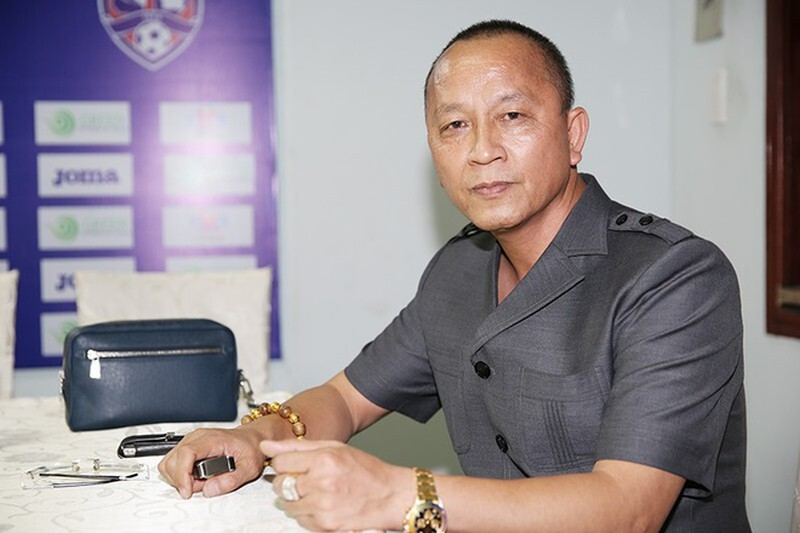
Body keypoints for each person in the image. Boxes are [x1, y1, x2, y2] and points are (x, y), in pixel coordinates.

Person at [159, 19, 750, 532]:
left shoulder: (675, 277)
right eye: (455, 126)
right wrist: (254, 438)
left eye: (512, 116)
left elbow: (629, 510)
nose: (483, 150)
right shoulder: (458, 271)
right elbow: (344, 398)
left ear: (573, 135)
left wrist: (397, 494)